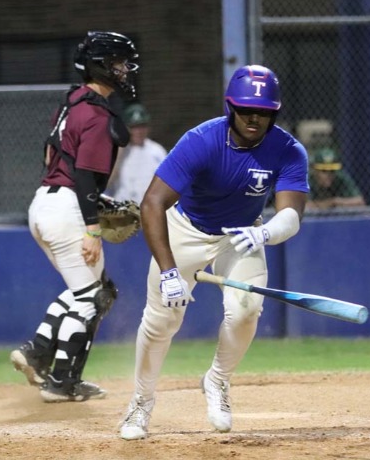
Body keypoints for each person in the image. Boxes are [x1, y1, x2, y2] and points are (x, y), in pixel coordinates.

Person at [118, 64, 309, 440]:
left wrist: (264, 232)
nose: (254, 118)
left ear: (274, 113)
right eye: (246, 109)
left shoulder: (288, 150)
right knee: (162, 322)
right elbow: (153, 203)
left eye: (264, 112)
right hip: (186, 230)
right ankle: (141, 403)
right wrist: (170, 272)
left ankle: (217, 380)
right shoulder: (201, 140)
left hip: (241, 235)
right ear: (230, 107)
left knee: (246, 311)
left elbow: (291, 215)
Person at [9, 31, 139, 402]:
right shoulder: (96, 114)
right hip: (67, 208)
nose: (125, 70)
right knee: (92, 298)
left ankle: (37, 353)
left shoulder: (71, 103)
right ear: (102, 66)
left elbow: (51, 158)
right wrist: (92, 228)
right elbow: (83, 174)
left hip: (44, 203)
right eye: (118, 64)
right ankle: (62, 382)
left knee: (93, 291)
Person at [107, 103, 167, 203]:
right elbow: (107, 183)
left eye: (142, 126)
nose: (139, 131)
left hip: (147, 207)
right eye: (134, 127)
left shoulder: (157, 151)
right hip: (123, 208)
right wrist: (119, 153)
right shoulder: (118, 151)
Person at [306, 147, 365, 211]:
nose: (329, 175)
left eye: (332, 171)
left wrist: (336, 201)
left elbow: (360, 201)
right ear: (315, 171)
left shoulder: (340, 178)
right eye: (324, 171)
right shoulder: (307, 181)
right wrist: (330, 203)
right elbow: (304, 206)